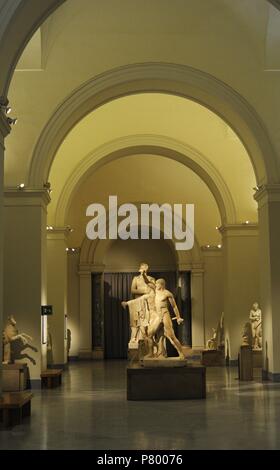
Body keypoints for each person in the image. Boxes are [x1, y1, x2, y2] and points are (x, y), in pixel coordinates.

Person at [127, 263, 155, 345]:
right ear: (139, 269)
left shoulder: (151, 279)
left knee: (147, 321)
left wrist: (148, 292)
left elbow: (153, 289)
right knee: (135, 321)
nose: (143, 269)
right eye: (142, 267)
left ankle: (148, 339)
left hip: (148, 302)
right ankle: (135, 338)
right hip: (138, 302)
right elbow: (132, 290)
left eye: (145, 267)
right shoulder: (136, 279)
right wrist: (144, 291)